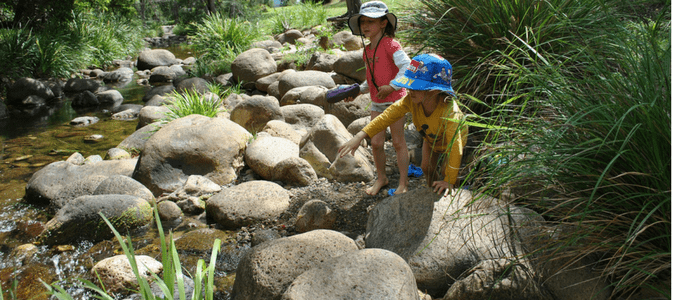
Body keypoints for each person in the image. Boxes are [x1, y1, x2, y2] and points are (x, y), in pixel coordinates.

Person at [338, 54, 468, 196]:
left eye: (416, 87)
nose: (409, 90)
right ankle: (433, 191)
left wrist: (449, 180)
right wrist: (360, 135)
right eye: (409, 85)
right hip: (431, 138)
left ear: (435, 90)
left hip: (451, 142)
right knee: (426, 167)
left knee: (446, 171)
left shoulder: (450, 114)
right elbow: (387, 116)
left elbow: (455, 148)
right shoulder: (412, 100)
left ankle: (448, 188)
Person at [342, 1, 412, 196]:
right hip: (378, 102)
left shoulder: (391, 45)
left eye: (371, 21)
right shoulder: (367, 50)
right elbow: (371, 80)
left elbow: (407, 67)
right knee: (376, 143)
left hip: (395, 100)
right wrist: (357, 91)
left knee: (398, 142)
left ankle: (403, 182)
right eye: (363, 21)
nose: (365, 26)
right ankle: (381, 178)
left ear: (383, 23)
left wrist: (393, 85)